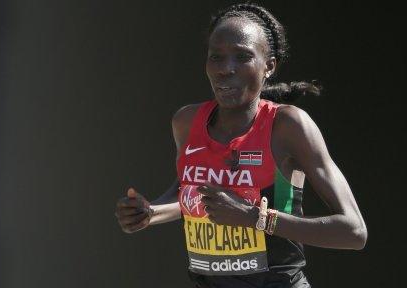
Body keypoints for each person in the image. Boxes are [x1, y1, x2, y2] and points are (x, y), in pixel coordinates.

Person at [115, 3, 367, 287]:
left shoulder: (287, 127)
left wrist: (255, 218)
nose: (226, 69)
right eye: (216, 58)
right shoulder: (186, 122)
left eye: (243, 57)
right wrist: (150, 212)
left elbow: (354, 232)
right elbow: (189, 193)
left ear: (268, 66)